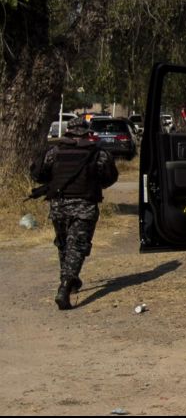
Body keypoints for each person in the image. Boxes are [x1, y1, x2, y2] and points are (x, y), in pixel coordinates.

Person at [30, 116, 119, 310]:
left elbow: (39, 174)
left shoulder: (55, 151)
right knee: (77, 246)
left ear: (68, 132)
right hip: (84, 207)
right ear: (87, 132)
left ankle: (69, 280)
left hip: (58, 207)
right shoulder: (98, 153)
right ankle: (66, 285)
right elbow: (110, 177)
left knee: (64, 244)